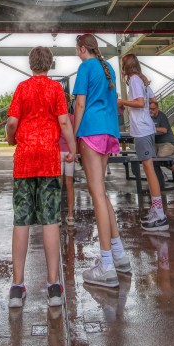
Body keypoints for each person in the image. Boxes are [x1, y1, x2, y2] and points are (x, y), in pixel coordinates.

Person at [6, 47, 75, 309]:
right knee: (50, 221)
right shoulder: (55, 89)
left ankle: (17, 286)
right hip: (48, 160)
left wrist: (13, 139)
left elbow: (12, 122)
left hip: (24, 160)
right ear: (51, 63)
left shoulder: (22, 88)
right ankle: (53, 286)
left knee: (21, 221)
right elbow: (64, 123)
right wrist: (73, 149)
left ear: (30, 63)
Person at [73, 33, 131, 289]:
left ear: (83, 48)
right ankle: (118, 254)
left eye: (77, 48)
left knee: (96, 192)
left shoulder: (86, 66)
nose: (77, 52)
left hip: (91, 130)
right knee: (101, 192)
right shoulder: (108, 68)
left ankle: (106, 265)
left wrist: (74, 134)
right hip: (109, 131)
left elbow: (80, 104)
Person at [118, 53, 169, 232]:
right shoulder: (142, 80)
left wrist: (122, 101)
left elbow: (140, 103)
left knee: (149, 170)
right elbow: (152, 100)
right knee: (149, 170)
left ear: (126, 66)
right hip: (146, 128)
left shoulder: (133, 79)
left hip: (142, 129)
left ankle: (160, 214)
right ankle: (156, 209)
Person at [149, 97, 174, 188]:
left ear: (157, 109)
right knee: (148, 156)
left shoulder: (162, 116)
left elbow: (164, 130)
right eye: (149, 109)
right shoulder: (148, 117)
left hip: (168, 143)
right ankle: (161, 174)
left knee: (160, 157)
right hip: (156, 144)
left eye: (153, 109)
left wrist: (153, 129)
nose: (151, 111)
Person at [60, 95, 76, 225]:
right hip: (70, 152)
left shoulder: (56, 118)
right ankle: (70, 215)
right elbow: (75, 135)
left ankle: (57, 216)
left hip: (57, 152)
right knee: (69, 184)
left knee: (57, 185)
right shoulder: (72, 118)